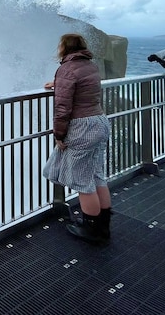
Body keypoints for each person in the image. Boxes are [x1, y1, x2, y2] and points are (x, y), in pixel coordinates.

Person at [42, 33, 112, 244]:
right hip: (99, 121)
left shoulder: (67, 68)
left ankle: (92, 229)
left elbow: (63, 107)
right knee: (97, 175)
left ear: (64, 47)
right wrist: (58, 83)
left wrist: (59, 134)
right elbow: (81, 87)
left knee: (82, 182)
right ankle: (103, 225)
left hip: (82, 127)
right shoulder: (89, 65)